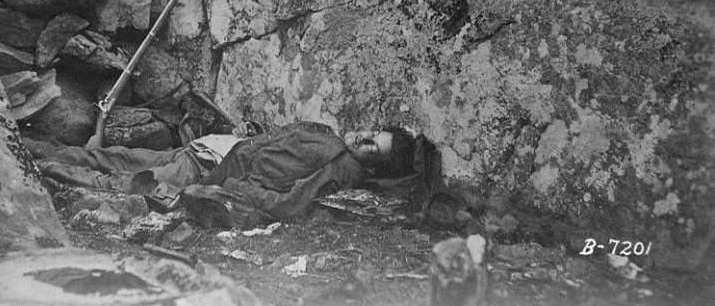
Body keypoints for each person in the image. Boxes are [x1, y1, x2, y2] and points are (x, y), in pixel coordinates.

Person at [27, 121, 427, 227]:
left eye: (375, 147)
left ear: (374, 165)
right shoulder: (334, 140)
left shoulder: (342, 167)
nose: (366, 139)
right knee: (115, 156)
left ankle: (29, 167)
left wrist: (236, 187)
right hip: (209, 149)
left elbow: (292, 204)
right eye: (375, 133)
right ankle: (17, 145)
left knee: (115, 179)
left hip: (209, 169)